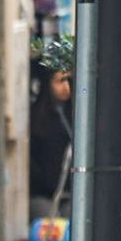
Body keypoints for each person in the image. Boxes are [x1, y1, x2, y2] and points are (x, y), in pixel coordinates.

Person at [29, 64, 73, 222]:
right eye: (60, 81)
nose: (65, 87)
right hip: (43, 193)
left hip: (69, 192)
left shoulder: (73, 115)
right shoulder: (37, 117)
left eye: (69, 81)